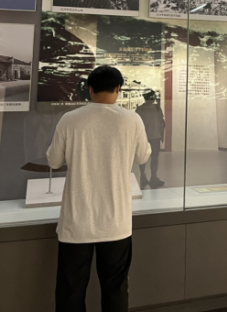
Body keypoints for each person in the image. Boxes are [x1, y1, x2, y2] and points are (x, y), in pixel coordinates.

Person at [47, 66, 152, 312]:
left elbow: (54, 161)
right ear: (118, 89)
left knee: (71, 291)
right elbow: (143, 156)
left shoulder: (70, 119)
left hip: (76, 221)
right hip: (116, 221)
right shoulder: (132, 120)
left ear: (90, 89)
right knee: (116, 289)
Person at [135, 90, 166, 189]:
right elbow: (161, 123)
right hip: (154, 136)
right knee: (153, 157)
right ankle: (153, 176)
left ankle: (144, 176)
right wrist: (161, 135)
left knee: (144, 157)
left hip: (145, 137)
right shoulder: (156, 108)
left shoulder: (140, 109)